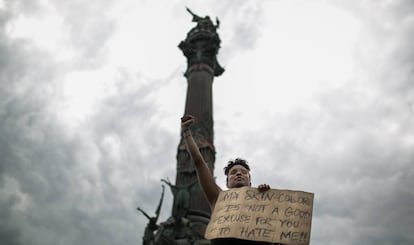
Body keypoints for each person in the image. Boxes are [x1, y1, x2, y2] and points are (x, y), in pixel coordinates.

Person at [181, 115, 279, 245]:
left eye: (244, 172)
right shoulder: (218, 198)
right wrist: (186, 132)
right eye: (233, 173)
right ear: (227, 182)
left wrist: (266, 201)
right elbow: (199, 162)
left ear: (250, 182)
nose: (238, 174)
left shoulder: (262, 202)